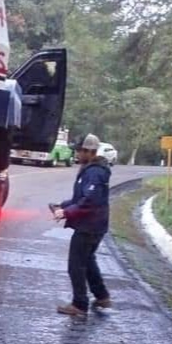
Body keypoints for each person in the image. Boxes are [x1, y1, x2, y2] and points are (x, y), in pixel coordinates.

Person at [51, 133, 112, 317]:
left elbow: (89, 201)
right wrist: (63, 206)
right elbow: (80, 199)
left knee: (76, 265)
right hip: (95, 225)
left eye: (79, 151)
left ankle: (79, 305)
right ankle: (102, 296)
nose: (76, 154)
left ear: (89, 151)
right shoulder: (92, 169)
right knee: (88, 260)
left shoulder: (94, 172)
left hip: (89, 227)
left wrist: (67, 213)